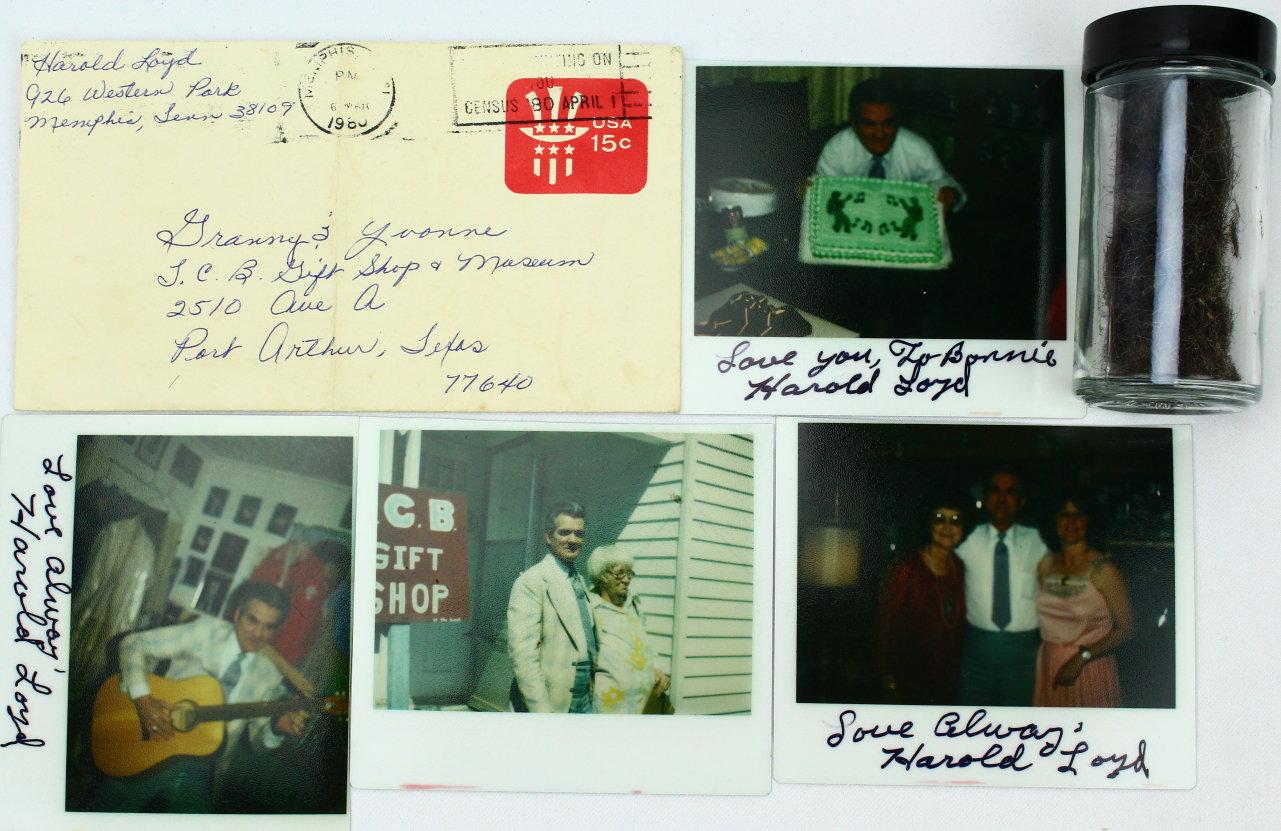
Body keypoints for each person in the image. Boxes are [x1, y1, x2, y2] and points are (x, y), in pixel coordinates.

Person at [88, 581, 310, 813]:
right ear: (237, 615)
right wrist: (142, 699)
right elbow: (133, 644)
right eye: (251, 620)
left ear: (277, 630)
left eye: (269, 626)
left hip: (204, 770)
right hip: (152, 742)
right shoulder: (206, 631)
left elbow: (258, 743)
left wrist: (276, 730)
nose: (258, 633)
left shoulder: (269, 676)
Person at [955, 470, 1047, 706]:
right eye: (995, 491)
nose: (1002, 498)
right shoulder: (964, 540)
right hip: (976, 650)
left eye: (1011, 492)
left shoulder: (1041, 541)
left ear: (1021, 501)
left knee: (1018, 723)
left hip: (1024, 653)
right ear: (985, 498)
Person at [1033, 494, 1134, 707]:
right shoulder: (1045, 564)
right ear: (1054, 521)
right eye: (1064, 515)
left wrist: (1082, 657)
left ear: (1089, 521)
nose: (1070, 522)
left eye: (1078, 515)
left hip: (1088, 667)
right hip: (1049, 664)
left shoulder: (1104, 570)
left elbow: (1127, 629)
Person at [815, 79, 965, 214]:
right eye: (869, 124)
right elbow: (821, 195)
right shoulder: (836, 150)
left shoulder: (917, 149)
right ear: (854, 125)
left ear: (897, 122)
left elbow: (946, 185)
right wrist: (811, 191)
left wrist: (950, 194)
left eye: (888, 123)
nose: (879, 134)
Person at [506, 501, 598, 714]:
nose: (573, 540)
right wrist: (542, 712)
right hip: (552, 701)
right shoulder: (532, 582)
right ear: (549, 537)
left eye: (579, 534)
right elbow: (524, 658)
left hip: (586, 696)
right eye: (564, 532)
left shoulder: (579, 580)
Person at [876, 501, 967, 705]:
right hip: (909, 682)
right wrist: (888, 681)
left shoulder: (959, 568)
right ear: (928, 525)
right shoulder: (906, 570)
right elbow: (885, 627)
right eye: (939, 519)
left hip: (948, 684)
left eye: (956, 520)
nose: (947, 527)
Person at [584, 545, 670, 714]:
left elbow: (646, 644)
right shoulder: (590, 609)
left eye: (629, 573)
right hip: (611, 708)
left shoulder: (634, 604)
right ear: (601, 576)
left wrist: (657, 668)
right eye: (619, 573)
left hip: (645, 703)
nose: (626, 579)